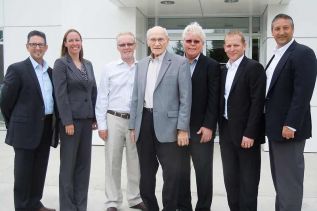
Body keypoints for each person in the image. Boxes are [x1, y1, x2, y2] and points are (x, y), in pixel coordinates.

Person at [129, 26, 192, 211]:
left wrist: (182, 128)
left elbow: (185, 99)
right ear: (147, 42)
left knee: (171, 175)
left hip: (170, 127)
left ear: (167, 41)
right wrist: (133, 126)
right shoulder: (140, 65)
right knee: (146, 176)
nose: (156, 43)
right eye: (153, 39)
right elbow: (135, 98)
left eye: (160, 39)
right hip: (144, 123)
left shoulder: (180, 63)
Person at [0, 30, 59, 211]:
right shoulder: (17, 69)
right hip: (25, 129)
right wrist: (15, 124)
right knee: (23, 173)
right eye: (33, 44)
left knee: (39, 170)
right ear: (27, 47)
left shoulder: (50, 72)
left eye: (40, 44)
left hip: (46, 127)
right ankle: (22, 207)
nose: (37, 47)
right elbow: (5, 101)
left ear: (46, 47)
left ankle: (35, 203)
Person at [265, 14, 317, 211]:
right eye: (277, 29)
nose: (281, 32)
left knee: (290, 182)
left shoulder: (303, 53)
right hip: (275, 129)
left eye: (285, 28)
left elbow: (303, 93)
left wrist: (291, 124)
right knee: (281, 181)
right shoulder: (276, 55)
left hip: (289, 130)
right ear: (272, 32)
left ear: (292, 29)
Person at [95, 32, 146, 211]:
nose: (126, 47)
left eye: (129, 44)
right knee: (112, 162)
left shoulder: (143, 67)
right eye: (122, 45)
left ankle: (134, 198)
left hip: (135, 121)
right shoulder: (109, 68)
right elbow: (102, 98)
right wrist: (102, 125)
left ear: (135, 46)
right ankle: (112, 202)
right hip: (113, 119)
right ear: (117, 47)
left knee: (135, 162)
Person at [218, 31, 266, 211]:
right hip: (226, 131)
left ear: (244, 45)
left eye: (235, 45)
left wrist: (250, 133)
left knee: (248, 180)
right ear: (224, 47)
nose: (232, 49)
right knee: (230, 179)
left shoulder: (254, 67)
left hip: (247, 135)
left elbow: (257, 103)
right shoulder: (223, 69)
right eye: (228, 45)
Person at [52, 29, 97, 211]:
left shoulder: (88, 64)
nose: (74, 43)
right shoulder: (61, 64)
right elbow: (60, 94)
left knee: (84, 167)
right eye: (70, 40)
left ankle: (80, 205)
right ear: (65, 43)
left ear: (81, 42)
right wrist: (67, 121)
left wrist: (94, 116)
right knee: (68, 168)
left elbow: (93, 91)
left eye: (77, 40)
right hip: (71, 123)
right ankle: (68, 207)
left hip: (87, 121)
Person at [177, 22, 220, 211]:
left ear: (202, 44)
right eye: (188, 41)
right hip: (178, 130)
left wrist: (209, 125)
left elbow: (214, 98)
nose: (192, 44)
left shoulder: (211, 66)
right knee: (181, 173)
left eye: (196, 41)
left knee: (203, 173)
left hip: (202, 129)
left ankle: (203, 208)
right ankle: (184, 206)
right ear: (183, 42)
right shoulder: (174, 63)